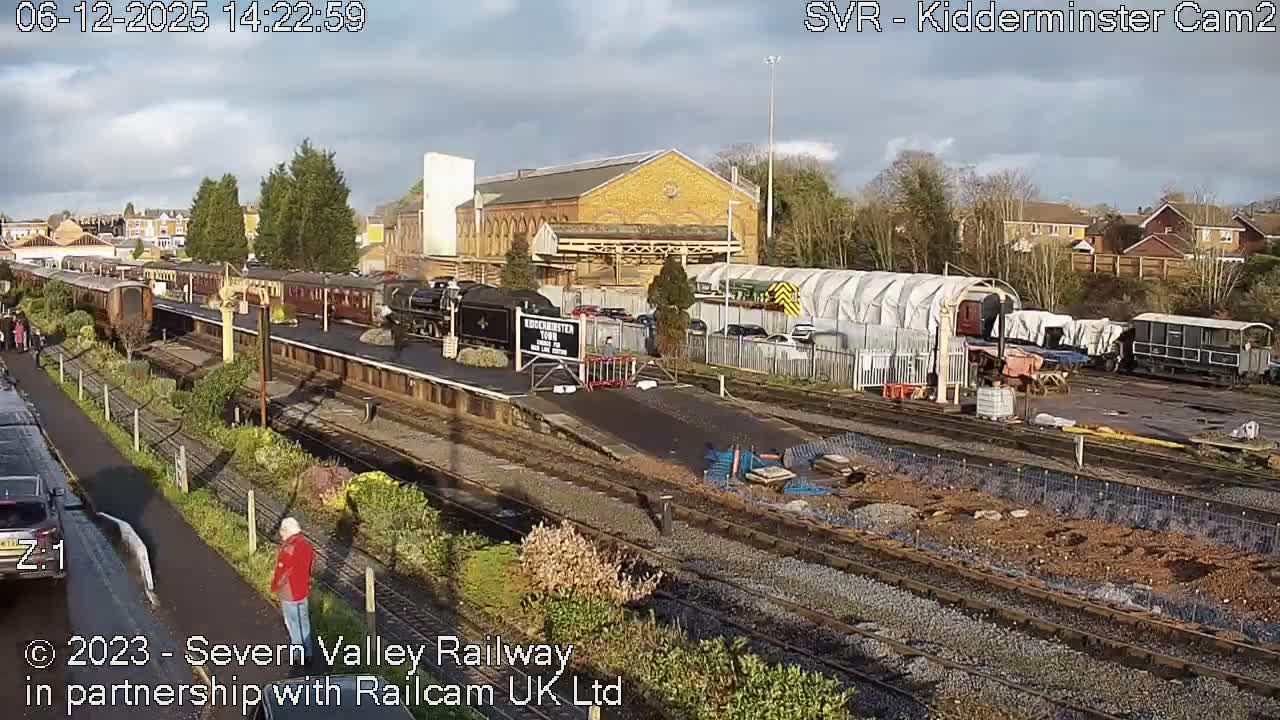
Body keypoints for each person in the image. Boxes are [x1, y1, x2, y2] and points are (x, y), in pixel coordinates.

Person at [269, 517, 315, 665]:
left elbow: (283, 571)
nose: (281, 535)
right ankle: (308, 652)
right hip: (303, 590)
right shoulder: (307, 545)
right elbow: (310, 567)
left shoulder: (289, 548)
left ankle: (297, 655)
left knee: (293, 625)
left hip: (289, 592)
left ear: (287, 530)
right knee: (303, 622)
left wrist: (275, 586)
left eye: (282, 532)